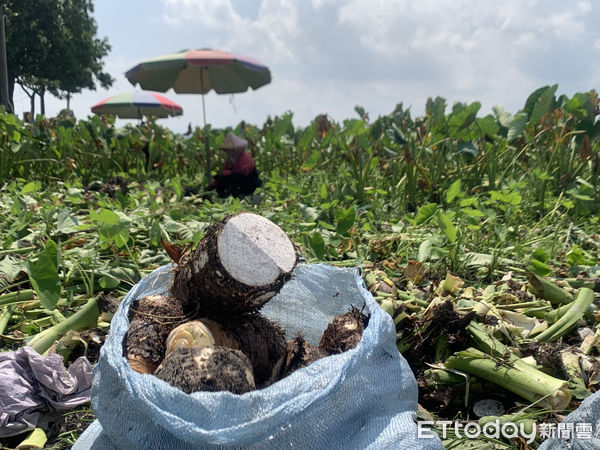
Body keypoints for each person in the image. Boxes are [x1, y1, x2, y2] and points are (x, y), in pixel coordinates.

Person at [208, 132, 262, 198]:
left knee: (233, 178)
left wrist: (225, 173)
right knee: (222, 179)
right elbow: (226, 170)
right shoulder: (230, 158)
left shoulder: (244, 157)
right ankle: (221, 196)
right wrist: (213, 185)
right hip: (237, 179)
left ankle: (237, 196)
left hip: (249, 182)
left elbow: (242, 172)